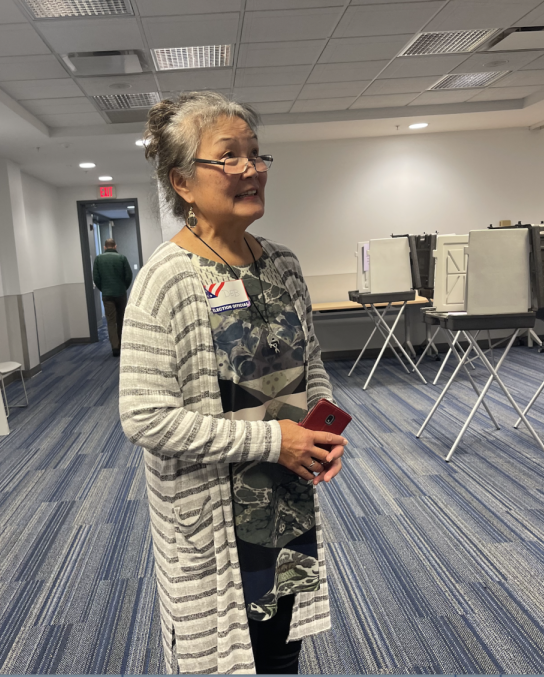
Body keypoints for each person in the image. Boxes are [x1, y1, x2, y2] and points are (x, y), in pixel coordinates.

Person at [119, 91, 347, 675]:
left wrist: (320, 427)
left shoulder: (284, 266)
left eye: (255, 154)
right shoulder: (164, 280)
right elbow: (145, 416)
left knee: (280, 652)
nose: (251, 169)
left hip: (288, 501)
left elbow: (312, 365)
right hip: (212, 521)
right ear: (183, 183)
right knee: (224, 658)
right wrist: (277, 441)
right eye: (229, 157)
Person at [92, 238, 132, 356]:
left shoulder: (98, 259)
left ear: (105, 247)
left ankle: (115, 347)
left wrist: (103, 289)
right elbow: (128, 275)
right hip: (120, 293)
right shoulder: (122, 258)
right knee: (121, 320)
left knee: (111, 321)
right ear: (115, 246)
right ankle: (122, 343)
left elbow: (96, 278)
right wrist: (124, 287)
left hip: (107, 294)